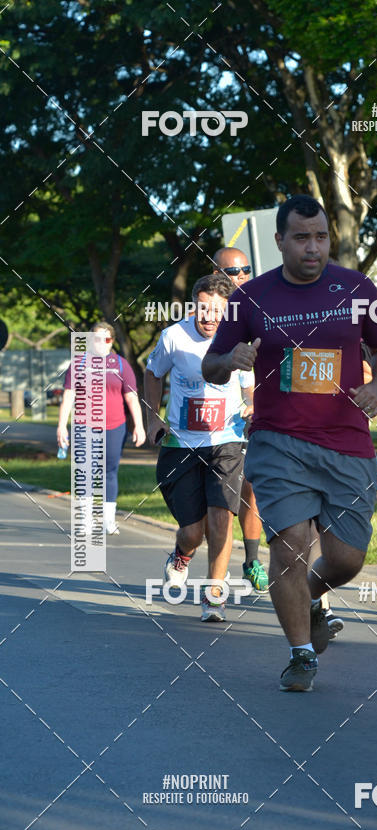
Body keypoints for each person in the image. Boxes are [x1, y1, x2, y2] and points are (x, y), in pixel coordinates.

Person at [203, 194, 377, 691]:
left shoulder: (357, 288)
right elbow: (212, 363)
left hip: (347, 441)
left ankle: (312, 596)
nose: (314, 248)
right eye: (302, 238)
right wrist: (232, 360)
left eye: (321, 237)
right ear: (279, 241)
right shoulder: (251, 298)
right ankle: (301, 654)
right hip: (279, 441)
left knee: (347, 558)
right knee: (289, 546)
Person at [144, 273, 253, 622]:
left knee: (222, 516)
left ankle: (215, 593)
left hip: (226, 441)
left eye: (216, 310)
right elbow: (151, 373)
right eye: (202, 309)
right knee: (193, 531)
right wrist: (152, 418)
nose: (208, 317)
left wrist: (253, 406)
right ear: (193, 306)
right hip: (182, 444)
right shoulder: (173, 337)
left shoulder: (239, 339)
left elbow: (251, 386)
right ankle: (181, 553)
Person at [212, 247, 268, 594]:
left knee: (252, 490)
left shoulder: (261, 307)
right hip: (210, 425)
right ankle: (189, 551)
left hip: (251, 416)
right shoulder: (206, 312)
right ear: (216, 272)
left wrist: (255, 402)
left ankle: (251, 560)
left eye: (245, 269)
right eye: (233, 271)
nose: (240, 276)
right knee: (215, 505)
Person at [57, 321, 146, 534]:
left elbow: (132, 398)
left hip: (115, 426)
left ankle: (108, 520)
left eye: (106, 339)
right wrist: (62, 426)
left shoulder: (121, 365)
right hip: (84, 425)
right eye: (96, 338)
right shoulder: (78, 364)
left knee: (109, 471)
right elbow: (69, 396)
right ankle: (86, 520)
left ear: (112, 341)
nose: (101, 343)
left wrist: (139, 426)